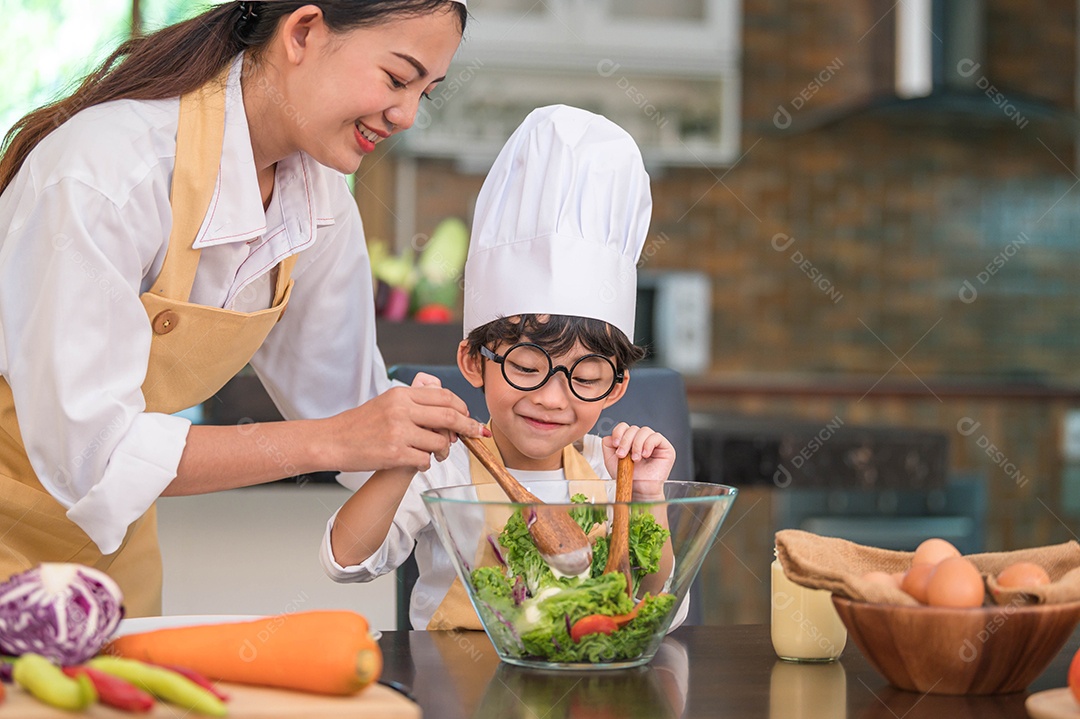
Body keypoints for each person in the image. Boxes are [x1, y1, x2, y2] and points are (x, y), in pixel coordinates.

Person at [0, 0, 486, 618]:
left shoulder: (321, 206)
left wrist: (503, 503)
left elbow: (354, 412)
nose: (407, 115)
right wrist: (331, 442)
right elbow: (95, 456)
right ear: (303, 31)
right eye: (396, 78)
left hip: (109, 547)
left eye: (427, 92)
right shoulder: (109, 171)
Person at [322, 104, 686, 631]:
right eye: (527, 366)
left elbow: (661, 610)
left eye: (585, 378)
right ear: (475, 361)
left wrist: (648, 498)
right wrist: (403, 458)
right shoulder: (442, 471)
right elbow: (346, 563)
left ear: (616, 387)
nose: (552, 398)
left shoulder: (612, 476)